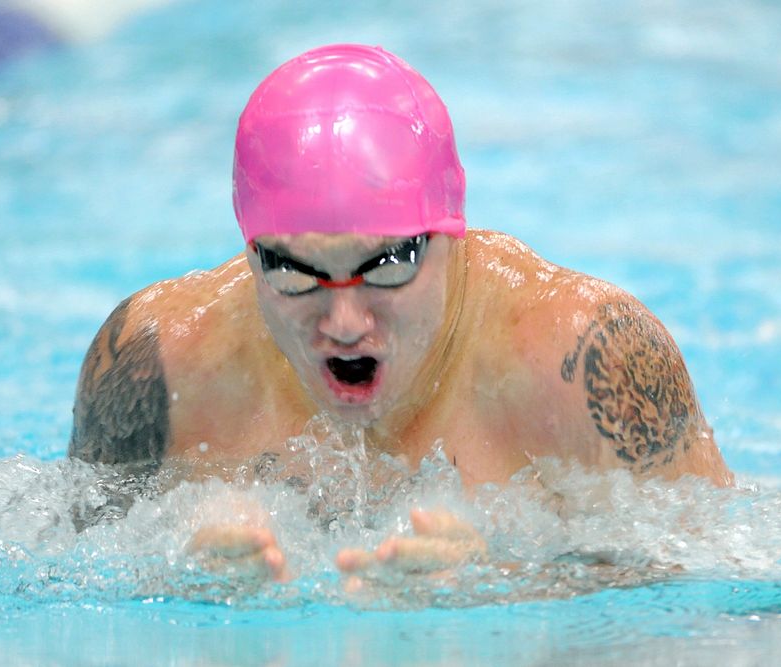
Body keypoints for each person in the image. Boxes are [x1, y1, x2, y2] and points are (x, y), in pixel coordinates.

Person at [67, 44, 731, 582]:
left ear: (452, 236)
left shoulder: (582, 360)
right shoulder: (160, 362)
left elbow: (721, 589)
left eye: (388, 267)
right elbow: (56, 574)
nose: (346, 321)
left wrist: (510, 584)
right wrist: (168, 580)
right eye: (295, 274)